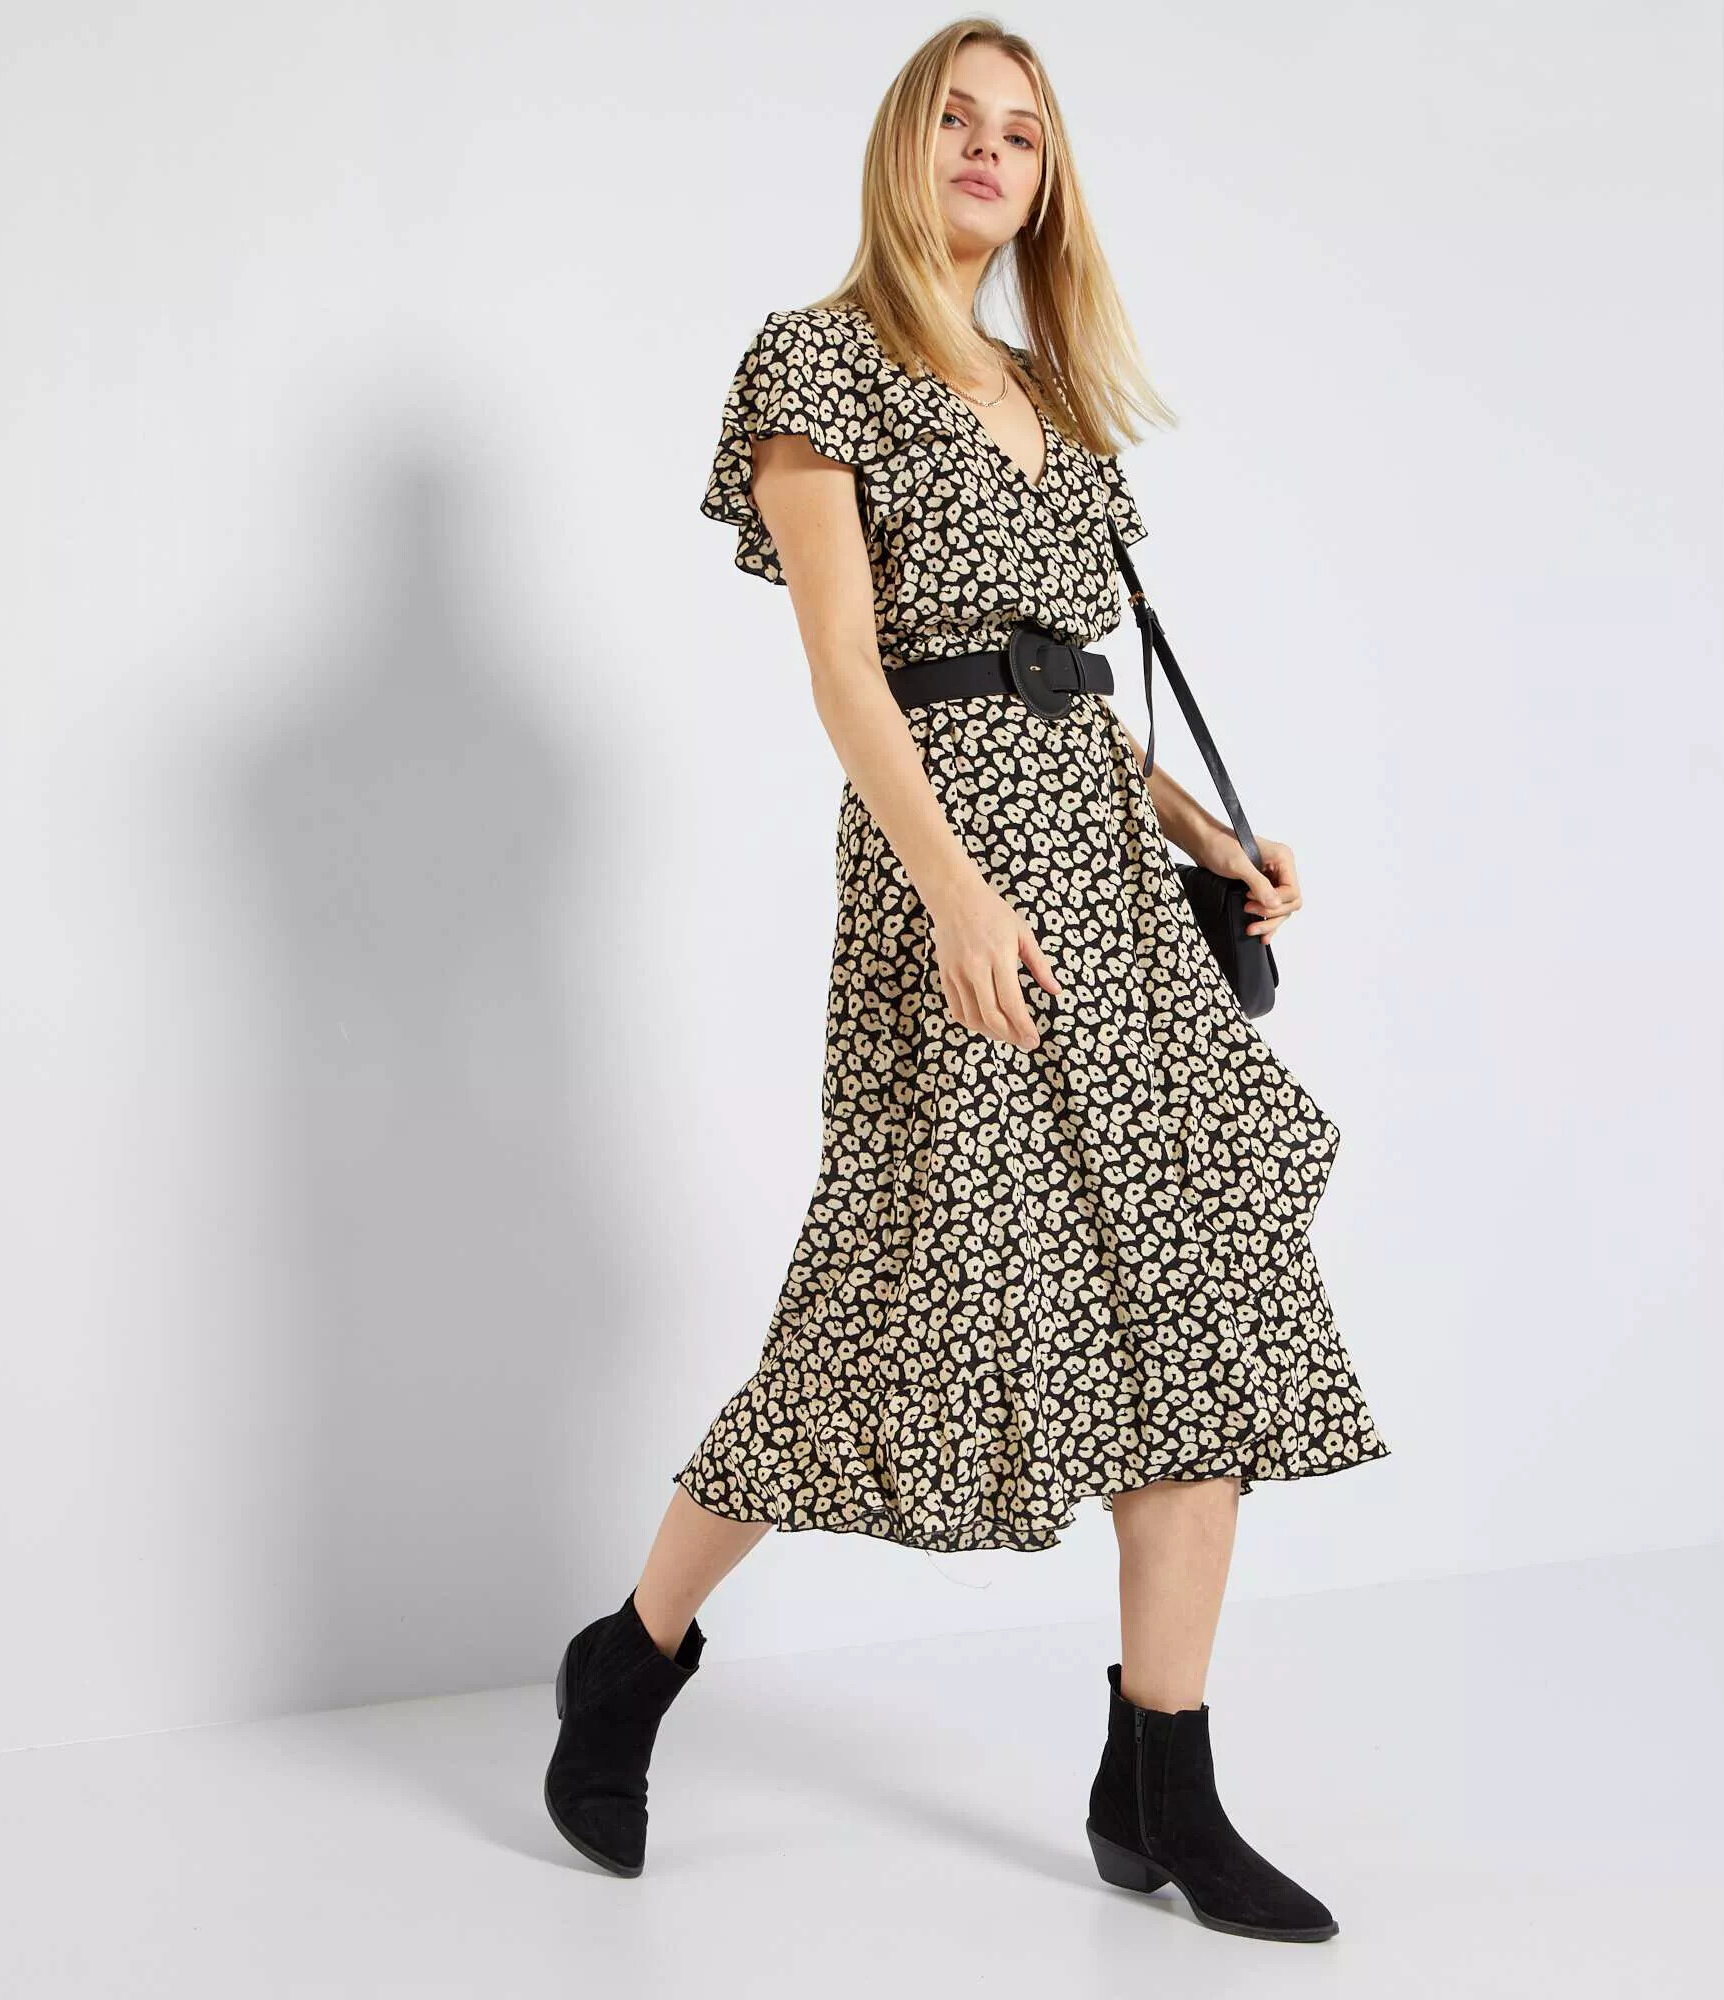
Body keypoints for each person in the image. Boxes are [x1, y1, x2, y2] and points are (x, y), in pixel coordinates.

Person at [543, 19, 1392, 1939]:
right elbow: (852, 675)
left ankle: (1160, 1780)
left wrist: (1209, 840)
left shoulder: (1057, 393)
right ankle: (632, 1656)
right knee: (886, 1298)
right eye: (961, 117)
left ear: (1049, 176)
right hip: (951, 884)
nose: (994, 151)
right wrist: (956, 893)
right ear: (901, 144)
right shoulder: (817, 361)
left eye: (1026, 130)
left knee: (1205, 1289)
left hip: (1106, 883)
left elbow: (1072, 688)